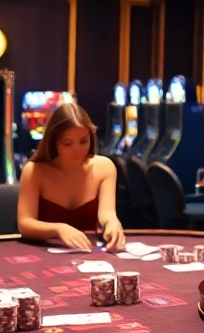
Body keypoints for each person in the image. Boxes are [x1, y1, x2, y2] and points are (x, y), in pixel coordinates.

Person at [17, 102, 126, 250]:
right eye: (67, 143)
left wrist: (112, 223)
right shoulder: (34, 170)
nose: (77, 150)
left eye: (83, 141)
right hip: (43, 255)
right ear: (53, 142)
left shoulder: (105, 168)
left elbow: (107, 213)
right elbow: (25, 223)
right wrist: (58, 229)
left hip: (87, 255)